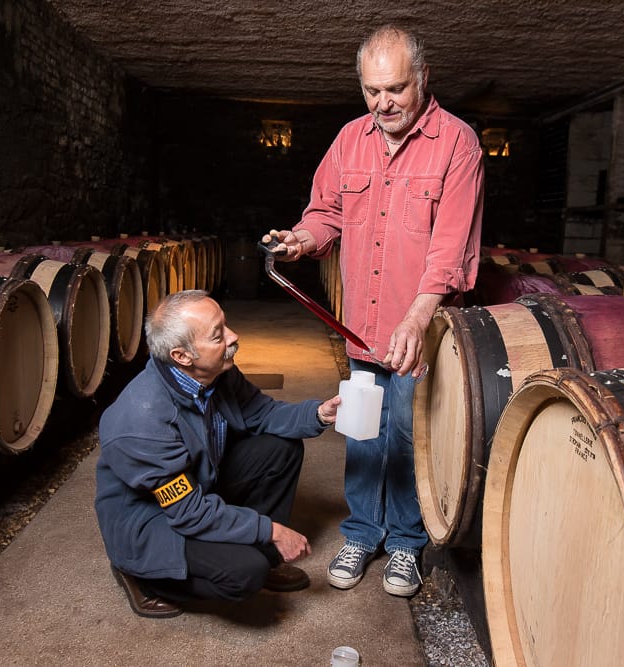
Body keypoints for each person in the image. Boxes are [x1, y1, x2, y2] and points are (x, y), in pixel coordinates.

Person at [263, 25, 484, 597]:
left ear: (423, 79)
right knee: (363, 429)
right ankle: (362, 531)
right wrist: (301, 240)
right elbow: (325, 213)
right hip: (359, 324)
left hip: (422, 330)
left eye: (395, 89)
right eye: (371, 90)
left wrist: (419, 316)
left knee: (411, 433)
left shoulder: (458, 144)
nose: (382, 102)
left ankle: (406, 542)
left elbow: (450, 246)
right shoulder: (350, 139)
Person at [95, 290, 341, 618]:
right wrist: (272, 530)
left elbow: (262, 413)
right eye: (218, 335)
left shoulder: (215, 373)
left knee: (280, 448)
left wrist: (318, 415)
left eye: (226, 325)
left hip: (200, 481)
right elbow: (190, 512)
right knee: (244, 575)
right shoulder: (142, 420)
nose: (233, 336)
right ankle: (143, 576)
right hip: (154, 520)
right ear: (183, 356)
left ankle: (265, 554)